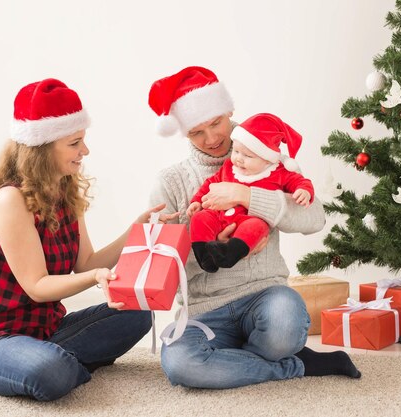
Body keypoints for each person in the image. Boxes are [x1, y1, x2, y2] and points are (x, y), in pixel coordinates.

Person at [0, 78, 175, 401]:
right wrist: (96, 278)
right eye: (75, 143)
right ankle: (54, 364)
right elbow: (37, 285)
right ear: (43, 148)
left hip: (48, 332)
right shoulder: (9, 201)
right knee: (50, 372)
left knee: (137, 313)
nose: (84, 151)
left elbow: (85, 264)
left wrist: (135, 231)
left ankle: (56, 359)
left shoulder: (64, 190)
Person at [148, 66, 361, 389]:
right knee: (180, 364)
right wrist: (212, 249)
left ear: (228, 110)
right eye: (196, 132)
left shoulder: (269, 156)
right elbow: (163, 266)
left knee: (285, 324)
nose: (212, 138)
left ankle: (239, 360)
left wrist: (247, 195)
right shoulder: (171, 181)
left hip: (266, 297)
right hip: (204, 312)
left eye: (216, 123)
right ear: (183, 133)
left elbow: (314, 218)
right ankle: (294, 365)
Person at [187, 112, 315, 273]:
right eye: (236, 152)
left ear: (268, 159)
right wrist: (196, 201)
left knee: (256, 226)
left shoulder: (279, 172)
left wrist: (304, 191)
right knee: (200, 218)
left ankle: (230, 253)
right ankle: (206, 256)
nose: (239, 159)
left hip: (247, 220)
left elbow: (300, 183)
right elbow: (210, 183)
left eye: (247, 156)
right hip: (219, 217)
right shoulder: (229, 167)